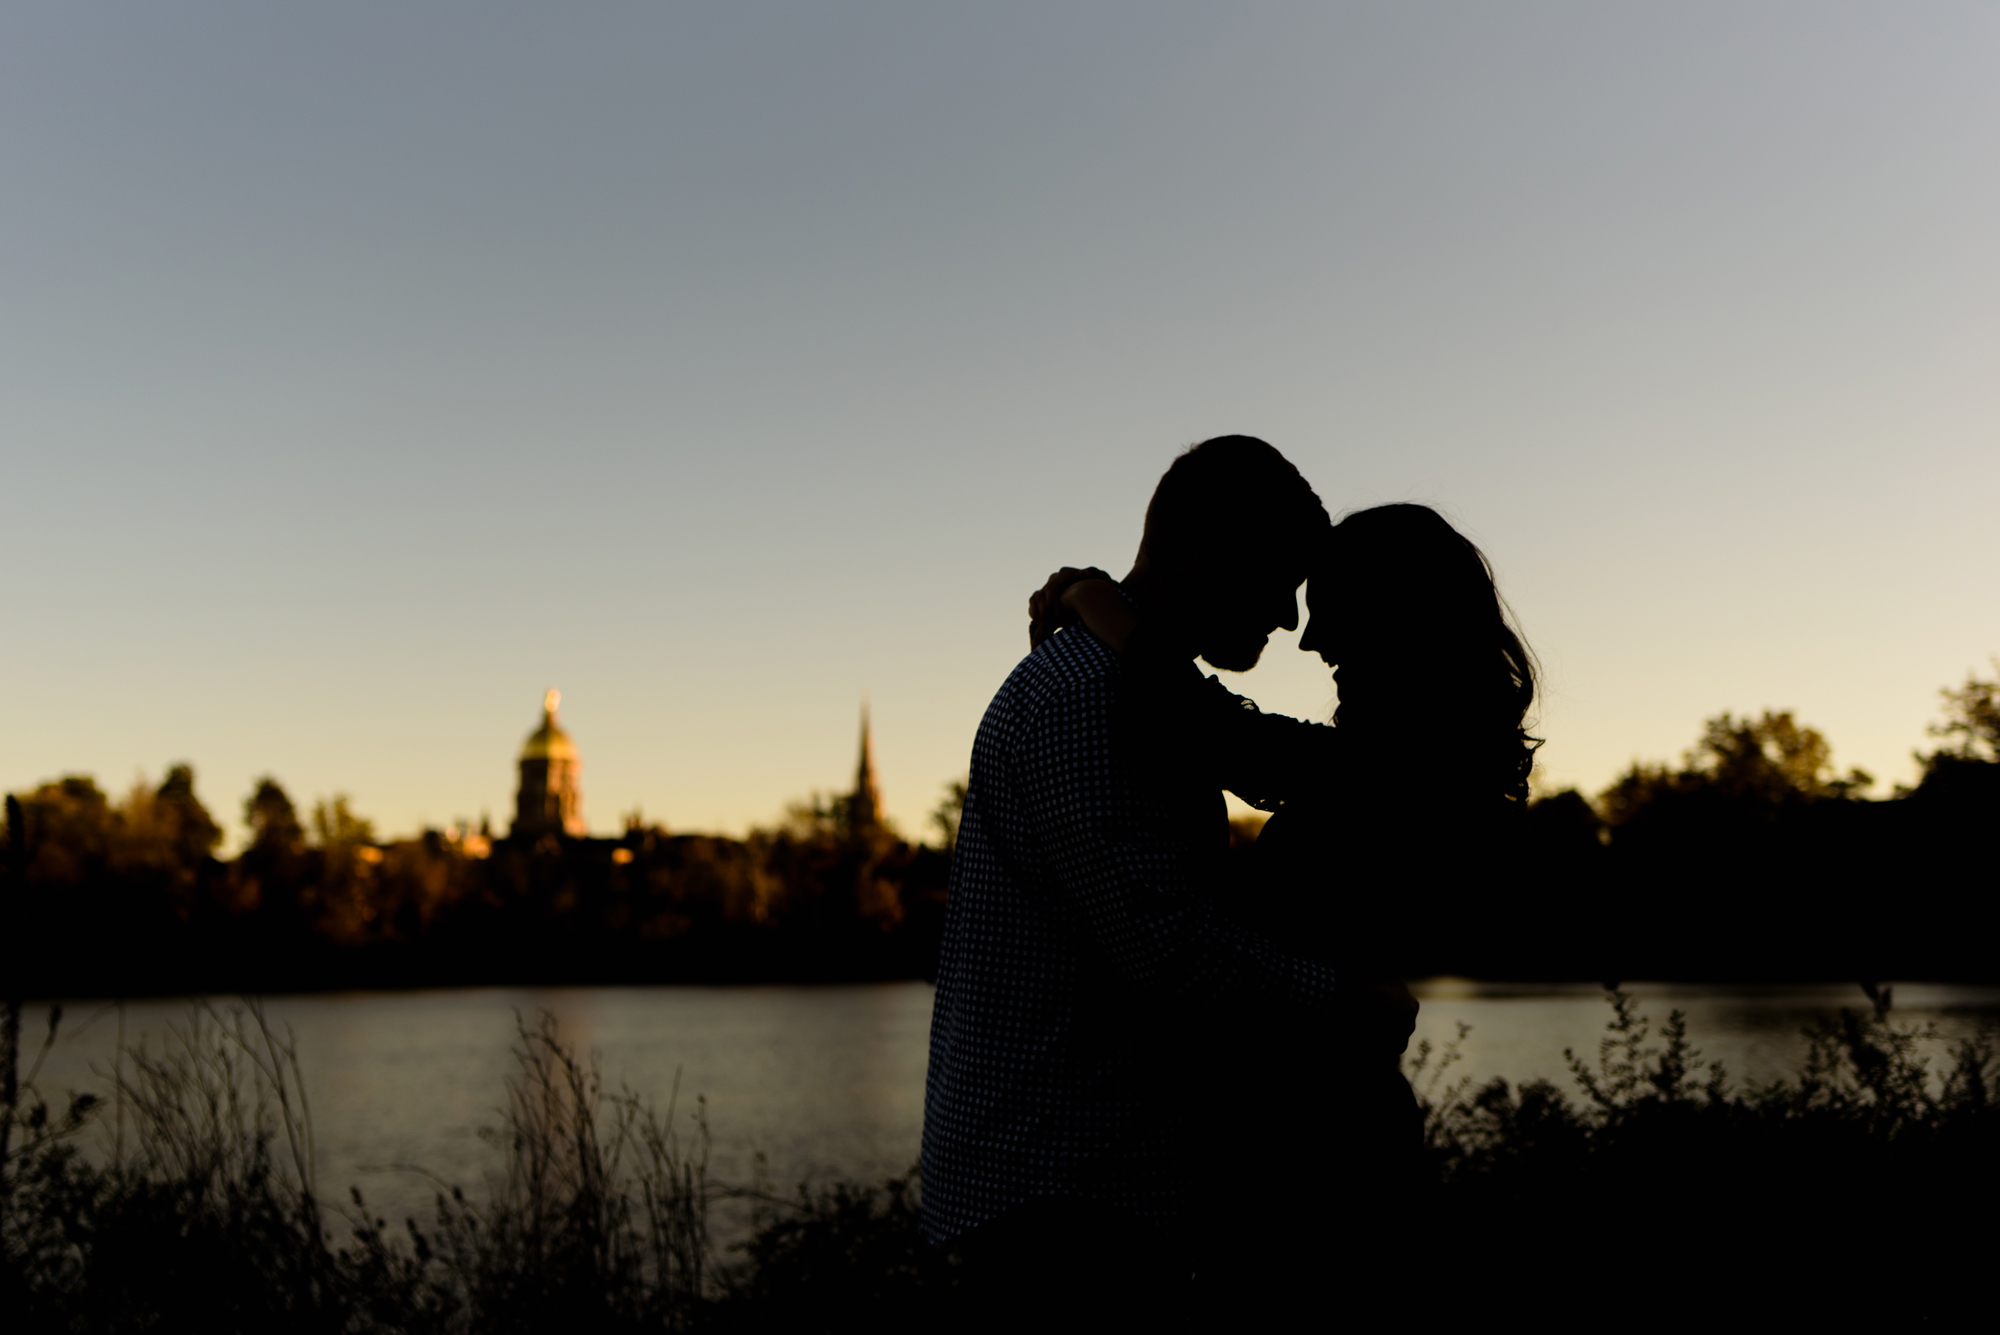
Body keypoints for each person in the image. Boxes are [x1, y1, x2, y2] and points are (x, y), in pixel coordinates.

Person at [921, 437, 1396, 1327]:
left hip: (1079, 1188)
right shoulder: (1095, 701)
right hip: (1062, 1201)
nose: (1292, 620)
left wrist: (1082, 590)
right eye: (1280, 579)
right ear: (1207, 552)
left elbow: (1242, 745)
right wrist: (1346, 1002)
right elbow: (1167, 951)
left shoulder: (1129, 690)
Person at [1036, 501, 1540, 1308]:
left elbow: (1218, 732)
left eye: (1329, 613)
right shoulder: (1415, 760)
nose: (1309, 641)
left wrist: (1095, 602)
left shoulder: (1404, 766)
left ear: (1395, 619)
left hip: (1325, 1157)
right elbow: (1237, 736)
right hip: (1314, 1140)